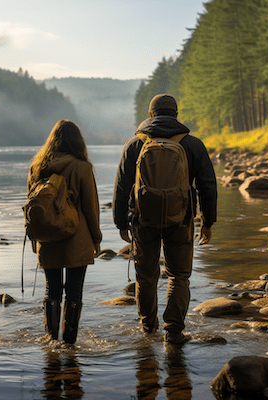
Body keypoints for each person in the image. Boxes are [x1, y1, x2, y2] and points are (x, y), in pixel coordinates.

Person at [113, 94, 217, 344]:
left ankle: (148, 327)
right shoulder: (192, 144)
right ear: (176, 114)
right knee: (178, 275)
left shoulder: (134, 145)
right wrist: (208, 221)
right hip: (180, 219)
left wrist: (120, 222)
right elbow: (208, 186)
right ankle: (173, 330)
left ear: (150, 115)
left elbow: (122, 186)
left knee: (146, 275)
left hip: (142, 220)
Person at [28, 119, 102, 344]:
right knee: (74, 291)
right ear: (78, 142)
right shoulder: (82, 167)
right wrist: (96, 238)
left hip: (47, 239)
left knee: (52, 290)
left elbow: (32, 207)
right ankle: (69, 343)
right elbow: (90, 208)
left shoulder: (37, 167)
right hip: (76, 238)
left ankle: (51, 341)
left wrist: (34, 238)